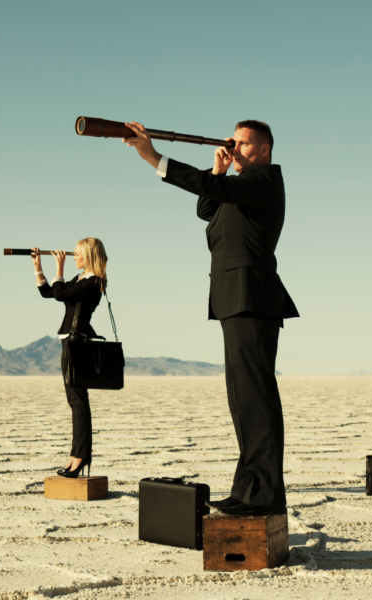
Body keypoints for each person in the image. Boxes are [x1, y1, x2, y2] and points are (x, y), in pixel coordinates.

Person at [124, 120, 299, 516]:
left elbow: (213, 192)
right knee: (242, 400)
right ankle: (248, 487)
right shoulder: (234, 187)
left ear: (265, 150)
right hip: (232, 299)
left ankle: (265, 495)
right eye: (231, 142)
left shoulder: (264, 179)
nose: (234, 148)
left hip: (251, 297)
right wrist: (217, 170)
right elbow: (206, 206)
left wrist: (153, 156)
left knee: (256, 398)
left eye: (242, 144)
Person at [31, 238, 108, 477]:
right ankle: (77, 454)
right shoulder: (83, 279)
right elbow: (49, 293)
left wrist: (59, 268)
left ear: (89, 255)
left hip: (78, 343)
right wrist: (38, 267)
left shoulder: (94, 281)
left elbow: (60, 294)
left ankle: (81, 455)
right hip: (70, 341)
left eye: (77, 254)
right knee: (75, 401)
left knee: (78, 401)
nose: (73, 257)